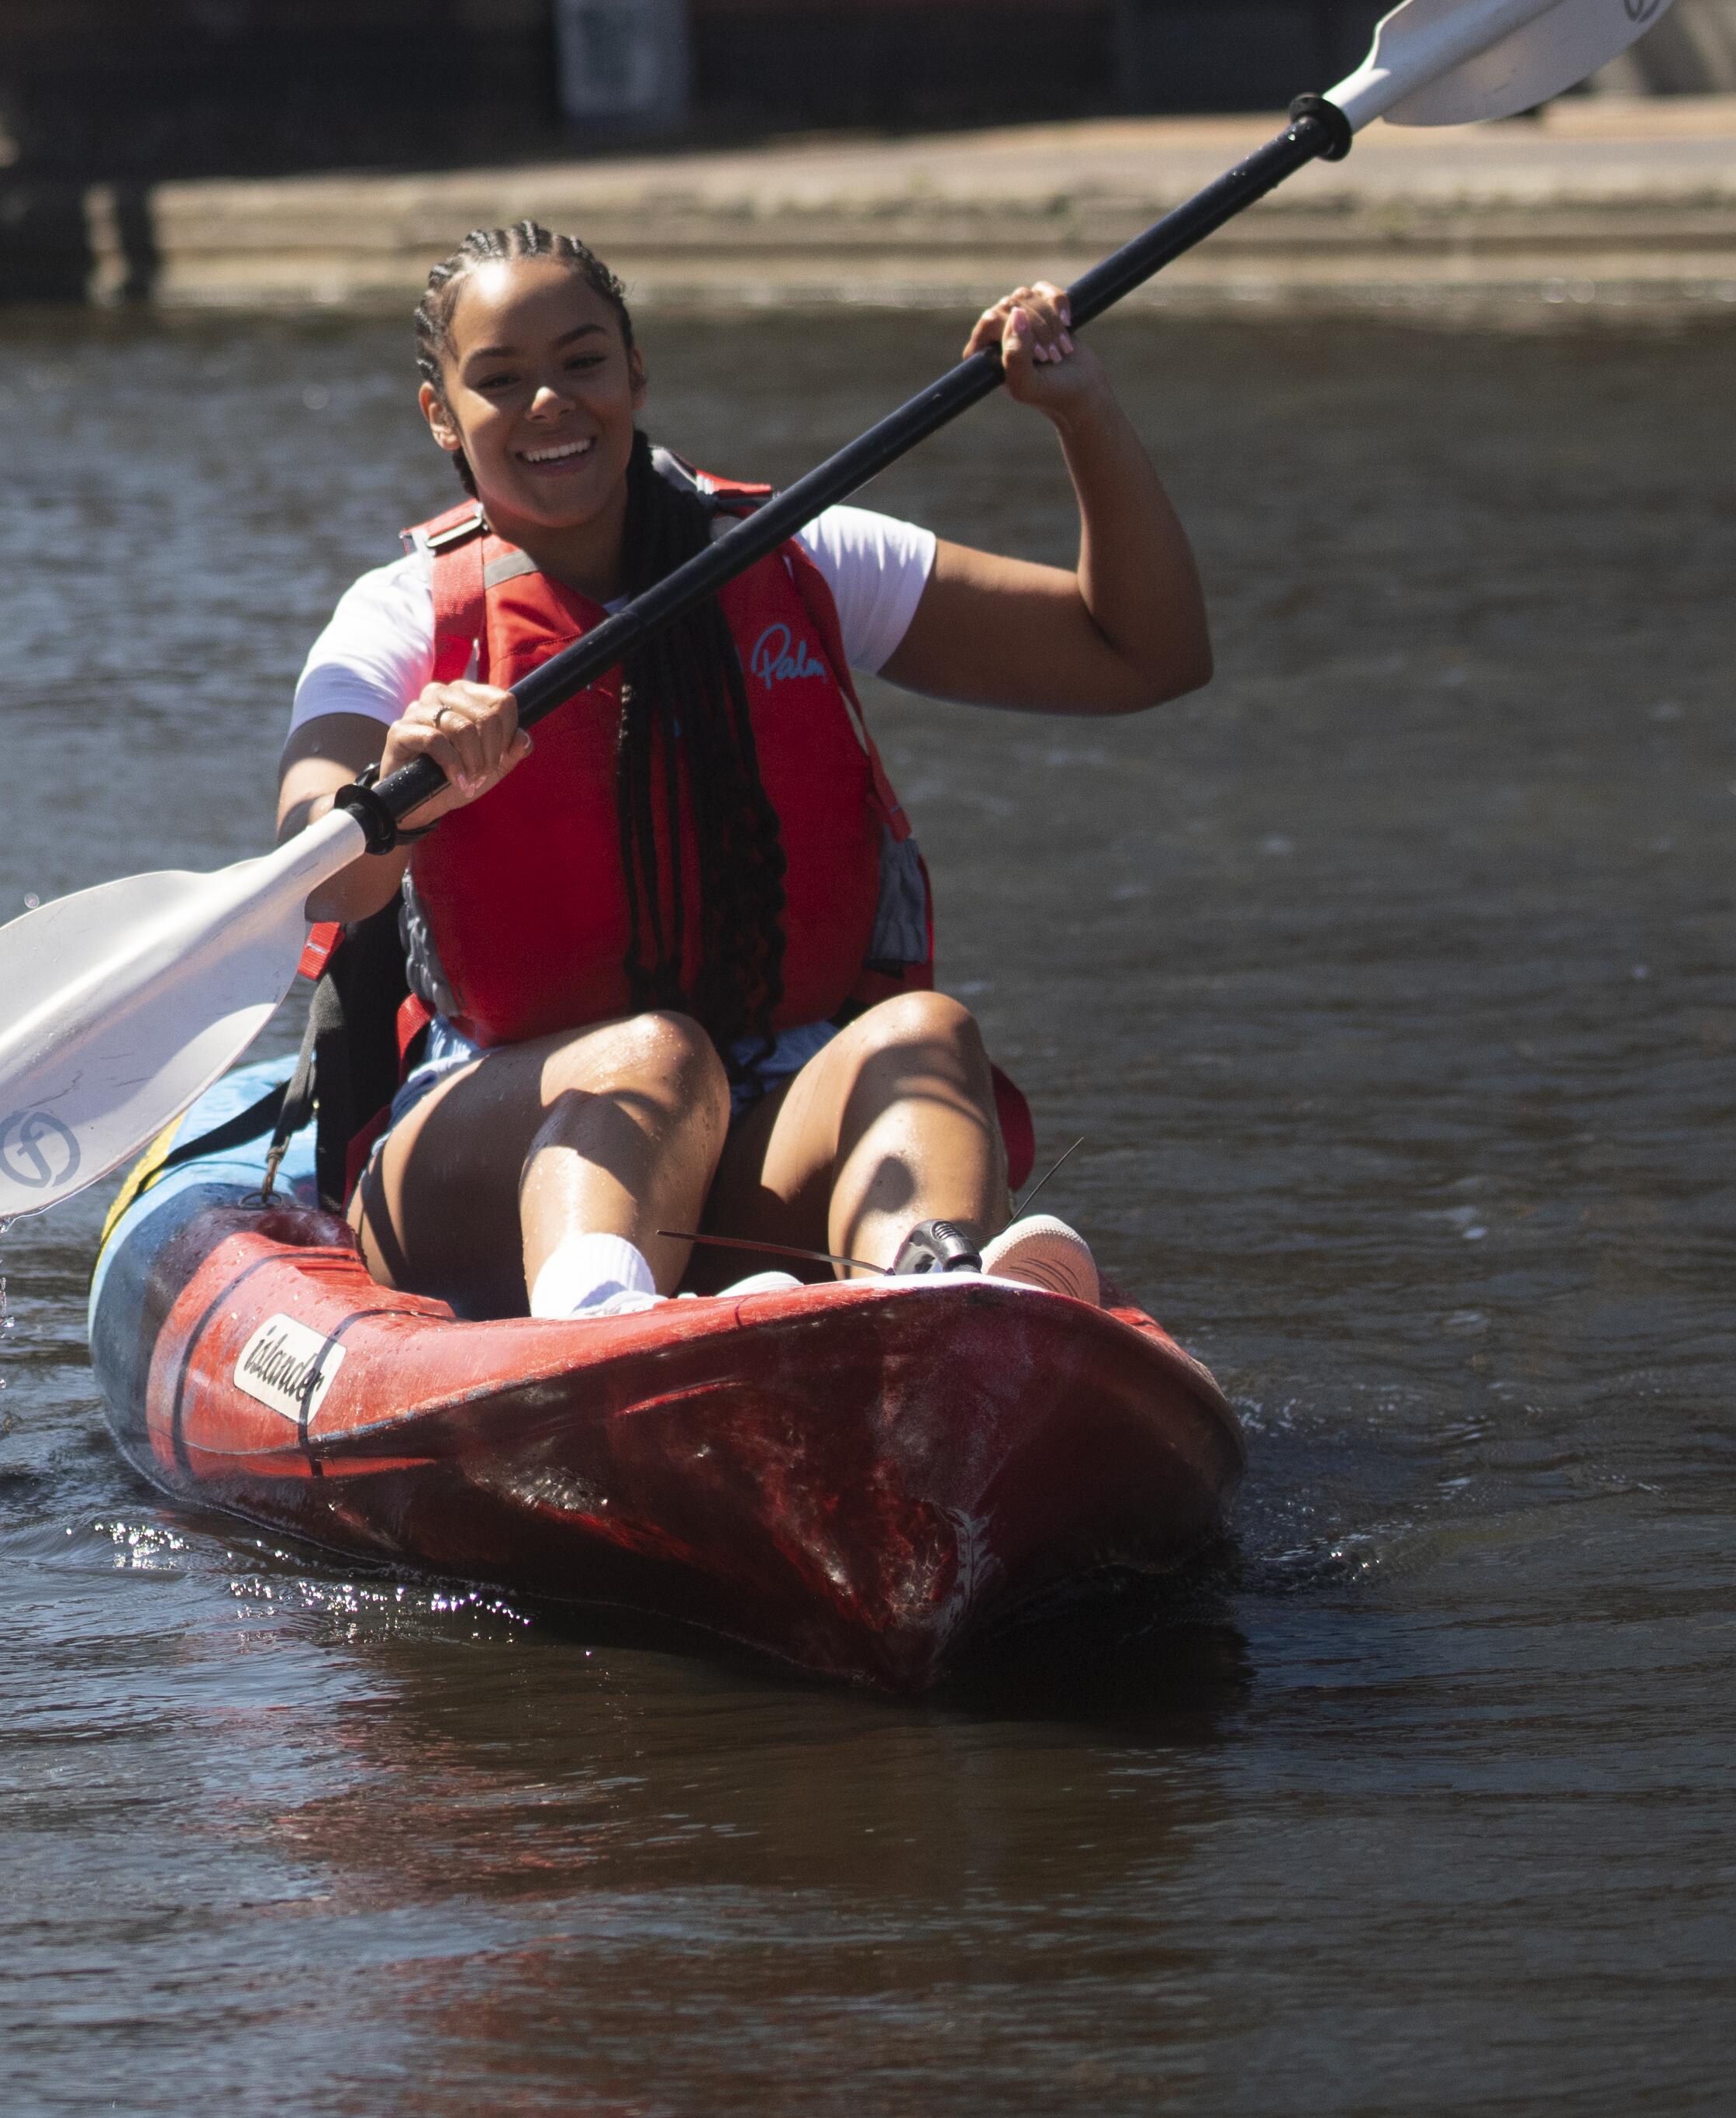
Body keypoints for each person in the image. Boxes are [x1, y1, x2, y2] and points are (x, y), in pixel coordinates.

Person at [271, 229, 1211, 1323]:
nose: (549, 404)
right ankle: (603, 1330)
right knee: (652, 1059)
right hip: (494, 1141)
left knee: (925, 1034)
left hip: (770, 1129)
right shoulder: (397, 620)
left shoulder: (799, 556)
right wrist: (395, 792)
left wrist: (1081, 412)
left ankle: (943, 1297)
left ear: (635, 373)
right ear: (440, 412)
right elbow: (318, 874)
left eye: (582, 363)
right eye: (500, 380)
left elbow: (1143, 654)